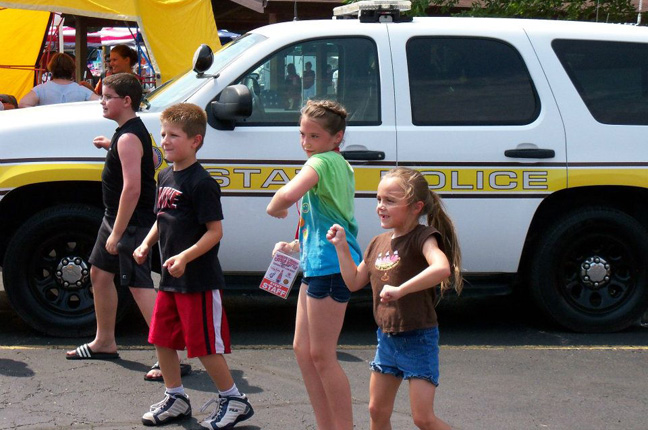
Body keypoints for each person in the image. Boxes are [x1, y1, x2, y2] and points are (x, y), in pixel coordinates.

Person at [133, 103, 254, 428]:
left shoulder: (202, 183)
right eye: (163, 134)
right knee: (162, 337)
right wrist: (146, 243)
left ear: (195, 141)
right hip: (171, 280)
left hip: (198, 280)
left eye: (174, 135)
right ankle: (176, 397)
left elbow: (215, 232)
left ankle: (234, 399)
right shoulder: (166, 175)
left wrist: (186, 257)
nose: (166, 141)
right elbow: (162, 218)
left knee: (204, 345)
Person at [65, 73, 189, 381]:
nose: (102, 102)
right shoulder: (126, 135)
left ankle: (170, 356)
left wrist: (118, 233)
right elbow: (139, 157)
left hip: (131, 222)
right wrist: (112, 145)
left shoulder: (131, 136)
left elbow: (132, 188)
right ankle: (104, 341)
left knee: (139, 284)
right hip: (115, 218)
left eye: (107, 97)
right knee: (99, 274)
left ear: (126, 101)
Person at [326, 167, 463, 430]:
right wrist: (342, 246)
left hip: (418, 339)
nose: (380, 206)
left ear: (416, 207)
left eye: (390, 200)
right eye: (378, 199)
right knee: (377, 411)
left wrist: (401, 289)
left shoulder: (423, 237)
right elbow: (354, 281)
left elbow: (441, 268)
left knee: (423, 418)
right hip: (387, 339)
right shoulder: (378, 242)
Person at [267, 99, 361, 430]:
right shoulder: (334, 163)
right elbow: (327, 217)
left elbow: (286, 195)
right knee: (303, 351)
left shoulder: (322, 162)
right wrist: (295, 244)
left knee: (321, 355)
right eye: (302, 135)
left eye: (315, 136)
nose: (306, 143)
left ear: (337, 138)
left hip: (331, 266)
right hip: (317, 263)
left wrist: (276, 206)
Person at [18, 52, 99, 108]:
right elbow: (101, 103)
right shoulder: (81, 90)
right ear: (72, 69)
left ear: (51, 68)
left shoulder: (41, 89)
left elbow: (22, 104)